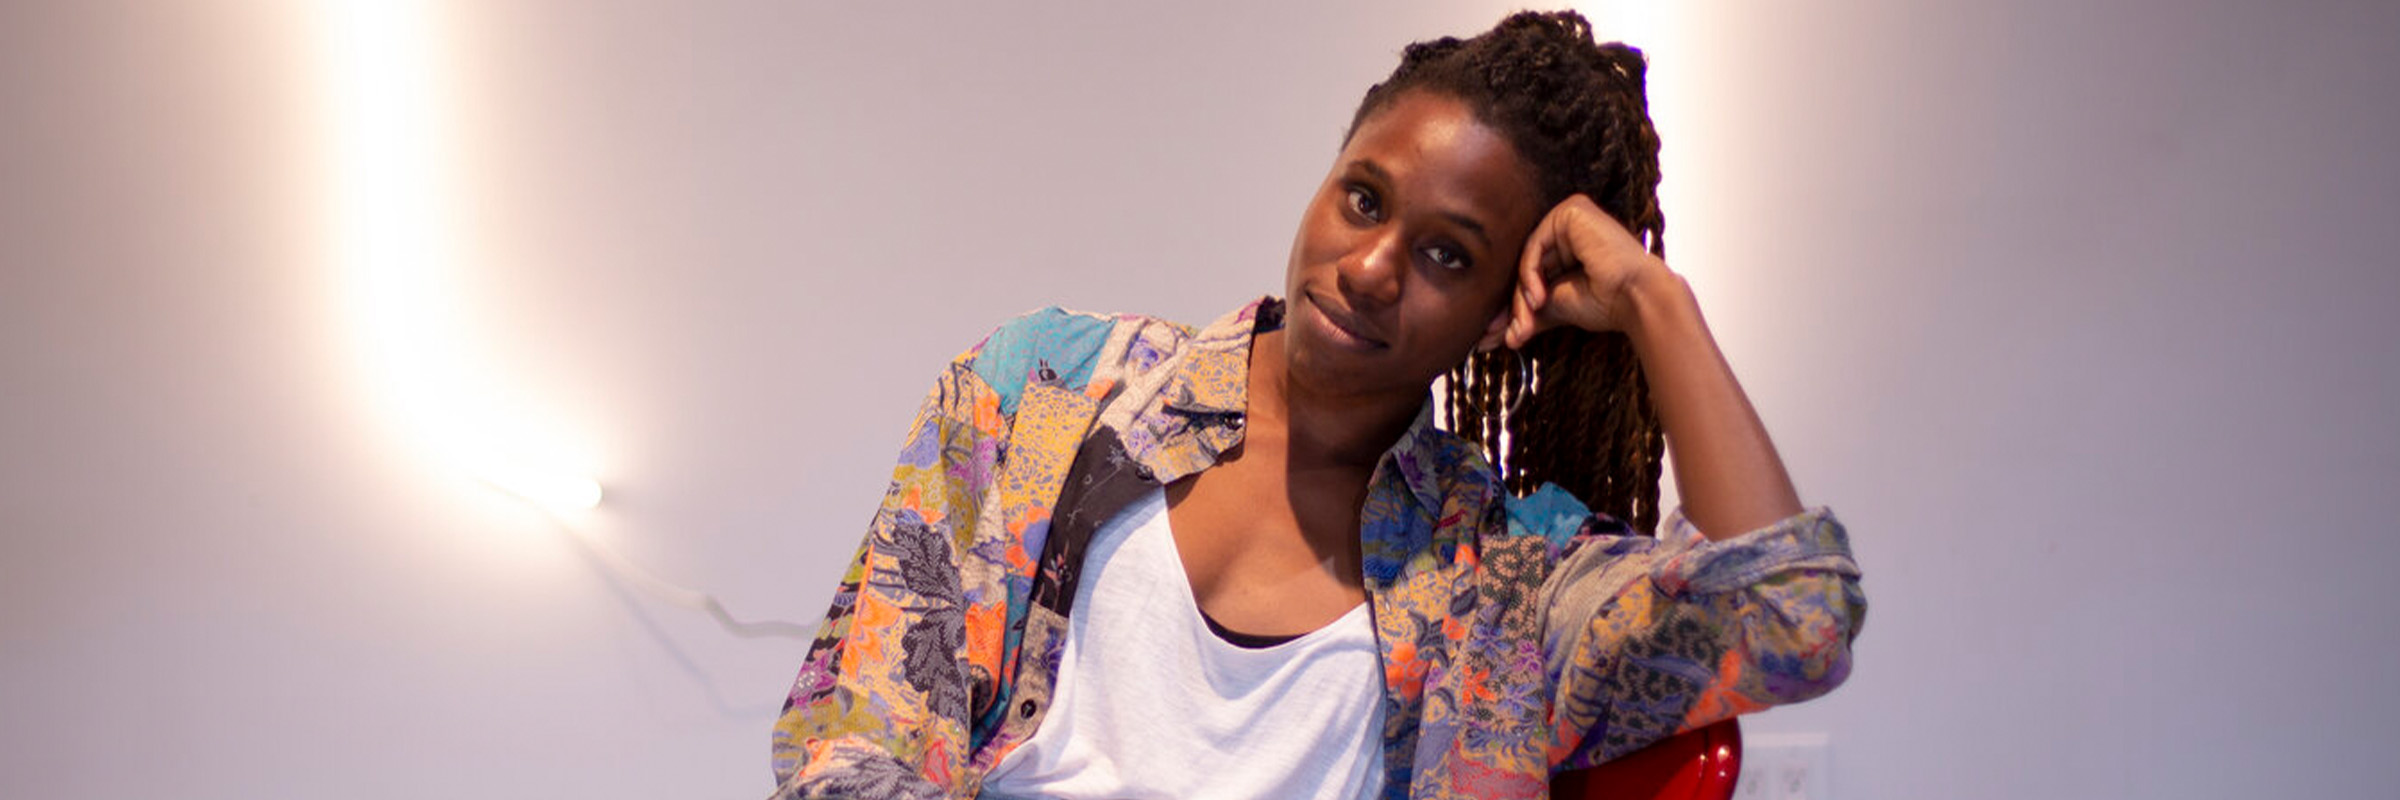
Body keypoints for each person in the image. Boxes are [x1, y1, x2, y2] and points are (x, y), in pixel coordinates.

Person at [769, 10, 1864, 799]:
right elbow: (855, 740)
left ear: (1500, 312)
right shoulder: (1038, 390)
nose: (1374, 265)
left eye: (1447, 254)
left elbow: (1794, 621)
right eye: (1362, 198)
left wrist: (1653, 301)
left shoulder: (1498, 583)